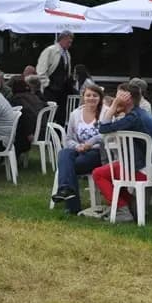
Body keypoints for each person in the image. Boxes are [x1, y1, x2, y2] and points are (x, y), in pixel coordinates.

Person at [91, 83, 152, 223]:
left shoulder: (133, 118)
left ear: (128, 98)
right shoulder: (140, 114)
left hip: (145, 169)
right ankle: (130, 205)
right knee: (113, 171)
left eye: (118, 96)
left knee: (99, 173)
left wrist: (113, 107)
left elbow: (104, 128)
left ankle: (122, 210)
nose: (116, 99)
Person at [52, 84, 107, 214]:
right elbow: (68, 138)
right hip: (79, 150)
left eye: (95, 95)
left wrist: (89, 144)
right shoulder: (75, 114)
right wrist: (77, 146)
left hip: (98, 152)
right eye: (88, 95)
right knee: (64, 152)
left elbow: (107, 135)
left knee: (70, 165)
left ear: (100, 98)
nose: (91, 98)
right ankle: (66, 189)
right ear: (83, 97)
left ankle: (71, 204)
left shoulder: (106, 112)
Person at [36, 31, 74, 123]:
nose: (70, 44)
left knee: (62, 114)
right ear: (62, 40)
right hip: (51, 89)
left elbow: (66, 71)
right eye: (68, 42)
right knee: (51, 114)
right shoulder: (50, 51)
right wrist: (47, 84)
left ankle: (59, 134)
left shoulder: (67, 54)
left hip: (63, 89)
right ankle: (48, 134)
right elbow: (41, 70)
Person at [9, 77, 48, 157]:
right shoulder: (34, 97)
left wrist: (29, 133)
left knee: (14, 129)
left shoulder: (17, 99)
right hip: (45, 130)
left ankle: (12, 158)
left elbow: (26, 115)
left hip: (33, 132)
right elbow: (45, 106)